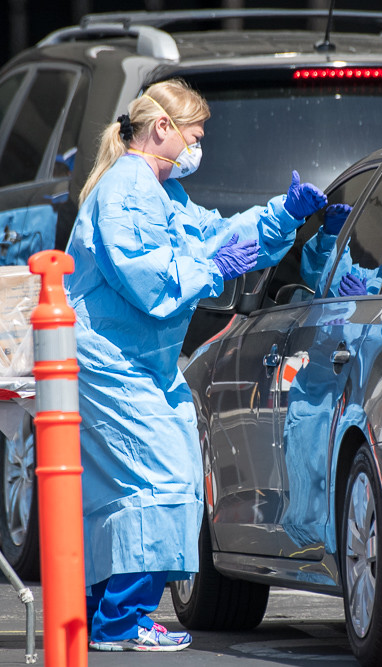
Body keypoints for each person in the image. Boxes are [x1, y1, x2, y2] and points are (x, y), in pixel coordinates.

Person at [64, 78, 327, 652]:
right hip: (114, 361)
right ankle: (122, 619)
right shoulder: (128, 190)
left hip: (138, 363)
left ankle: (98, 614)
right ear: (162, 129)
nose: (197, 145)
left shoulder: (157, 191)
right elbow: (147, 276)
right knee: (160, 481)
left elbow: (218, 234)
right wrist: (212, 271)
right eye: (195, 133)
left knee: (129, 485)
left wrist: (284, 215)